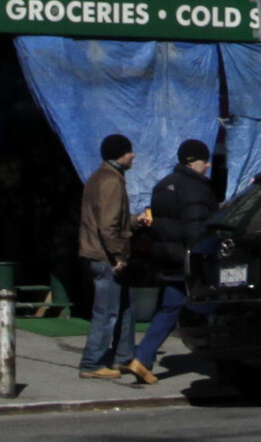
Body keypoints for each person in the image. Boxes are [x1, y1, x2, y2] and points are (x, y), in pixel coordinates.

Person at [126, 139, 215, 386]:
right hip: (189, 260)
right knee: (213, 305)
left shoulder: (162, 186)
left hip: (167, 258)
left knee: (169, 308)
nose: (207, 166)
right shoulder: (196, 189)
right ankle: (225, 359)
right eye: (205, 161)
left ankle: (142, 358)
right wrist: (201, 255)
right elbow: (195, 229)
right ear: (194, 161)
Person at [78, 133, 136, 379]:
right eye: (129, 151)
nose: (133, 155)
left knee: (124, 307)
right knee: (107, 312)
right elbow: (108, 225)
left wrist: (134, 221)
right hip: (104, 257)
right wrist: (119, 255)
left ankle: (122, 358)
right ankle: (92, 363)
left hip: (98, 253)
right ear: (120, 155)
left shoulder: (100, 177)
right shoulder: (111, 181)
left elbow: (111, 218)